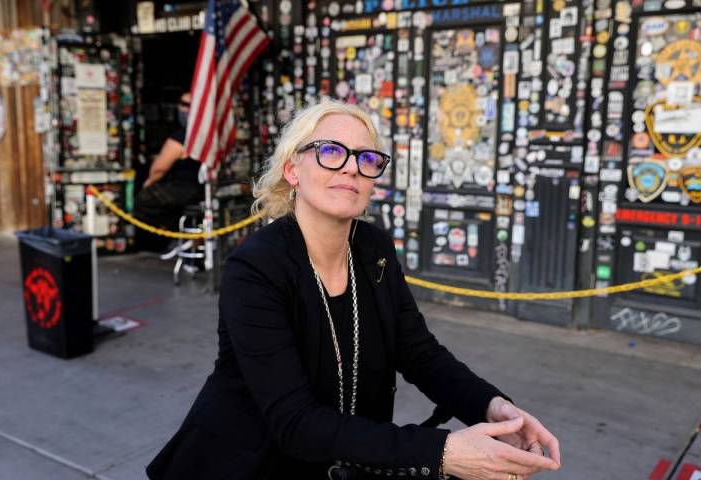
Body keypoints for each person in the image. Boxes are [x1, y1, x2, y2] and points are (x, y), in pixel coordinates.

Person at [146, 100, 561, 480]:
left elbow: (419, 352)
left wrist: (494, 408)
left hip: (350, 463)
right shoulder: (256, 268)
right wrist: (442, 451)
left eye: (366, 158)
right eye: (330, 151)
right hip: (249, 467)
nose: (350, 168)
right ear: (293, 169)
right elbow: (295, 422)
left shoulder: (373, 248)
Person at [134, 92, 204, 250]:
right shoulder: (203, 133)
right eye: (183, 104)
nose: (185, 110)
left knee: (143, 201)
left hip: (185, 189)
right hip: (199, 190)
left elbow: (159, 168)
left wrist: (149, 182)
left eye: (190, 106)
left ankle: (167, 240)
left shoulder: (181, 137)